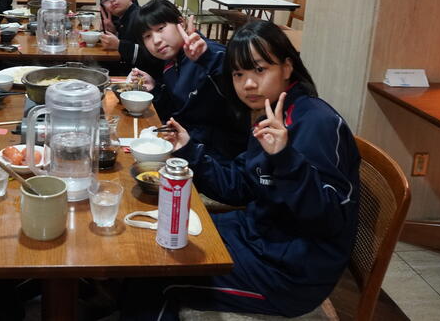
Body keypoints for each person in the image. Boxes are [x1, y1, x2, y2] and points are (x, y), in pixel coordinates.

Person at [123, 20, 361, 320]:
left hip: (289, 274)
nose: (248, 84)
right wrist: (189, 150)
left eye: (260, 70)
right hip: (256, 235)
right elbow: (239, 187)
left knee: (155, 275)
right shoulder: (267, 114)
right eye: (238, 74)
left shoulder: (316, 122)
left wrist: (285, 159)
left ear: (287, 68)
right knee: (153, 240)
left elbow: (329, 218)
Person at [129, 0, 239, 161]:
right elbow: (177, 106)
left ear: (181, 23)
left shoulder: (208, 53)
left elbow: (231, 79)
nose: (156, 40)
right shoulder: (172, 60)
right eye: (147, 36)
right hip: (188, 143)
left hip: (217, 155)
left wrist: (207, 59)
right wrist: (155, 88)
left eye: (161, 28)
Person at [97, 0, 161, 76]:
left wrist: (119, 45)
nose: (112, 0)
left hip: (143, 77)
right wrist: (115, 32)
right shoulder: (124, 17)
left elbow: (152, 55)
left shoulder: (140, 17)